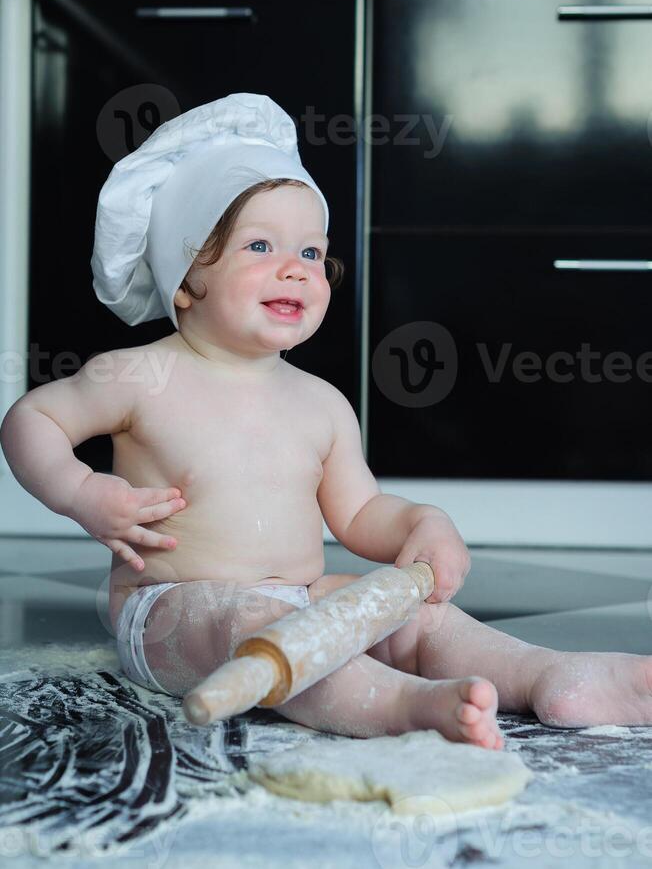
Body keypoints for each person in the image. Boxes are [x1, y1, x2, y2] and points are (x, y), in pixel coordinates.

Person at [1, 94, 650, 751]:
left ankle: (550, 676)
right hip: (169, 613)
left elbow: (360, 513)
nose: (295, 268)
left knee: (415, 614)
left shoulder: (320, 403)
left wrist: (424, 523)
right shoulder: (141, 375)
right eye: (260, 245)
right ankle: (401, 703)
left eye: (312, 253)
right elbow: (32, 420)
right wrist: (82, 493)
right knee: (250, 620)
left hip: (300, 596)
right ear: (185, 278)